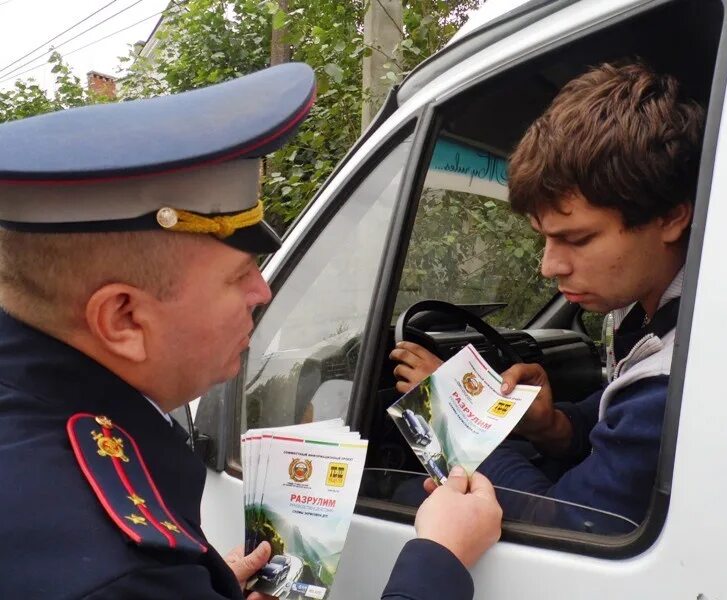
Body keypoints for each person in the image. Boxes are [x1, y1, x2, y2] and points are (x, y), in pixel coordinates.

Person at [0, 63, 501, 599]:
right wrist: (440, 557)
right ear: (123, 319)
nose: (262, 294)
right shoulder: (119, 572)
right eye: (239, 275)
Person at [390, 61, 705, 531]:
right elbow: (613, 413)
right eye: (544, 238)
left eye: (576, 239)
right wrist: (555, 426)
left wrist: (458, 417)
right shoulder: (651, 313)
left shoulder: (676, 381)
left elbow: (566, 525)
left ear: (671, 219)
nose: (549, 266)